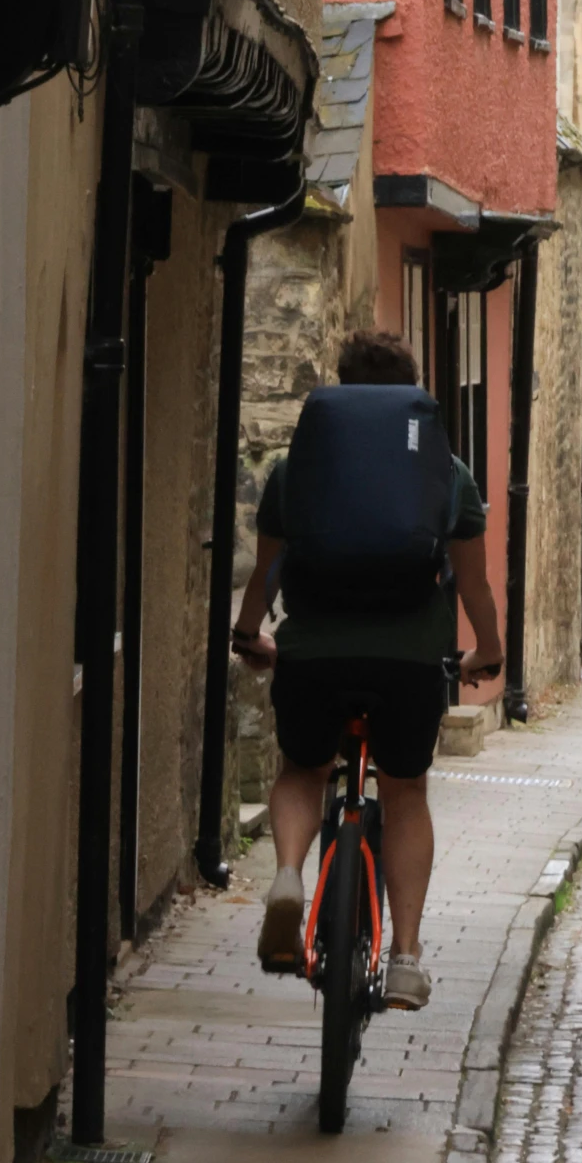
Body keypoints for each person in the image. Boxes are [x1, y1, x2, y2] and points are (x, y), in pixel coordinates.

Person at [231, 328, 504, 1012]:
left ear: (344, 387)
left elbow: (266, 573)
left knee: (302, 768)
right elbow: (473, 588)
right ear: (412, 391)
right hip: (410, 659)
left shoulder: (297, 470)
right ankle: (406, 957)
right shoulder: (447, 471)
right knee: (406, 789)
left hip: (314, 652)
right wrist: (488, 653)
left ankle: (291, 876)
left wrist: (249, 635)